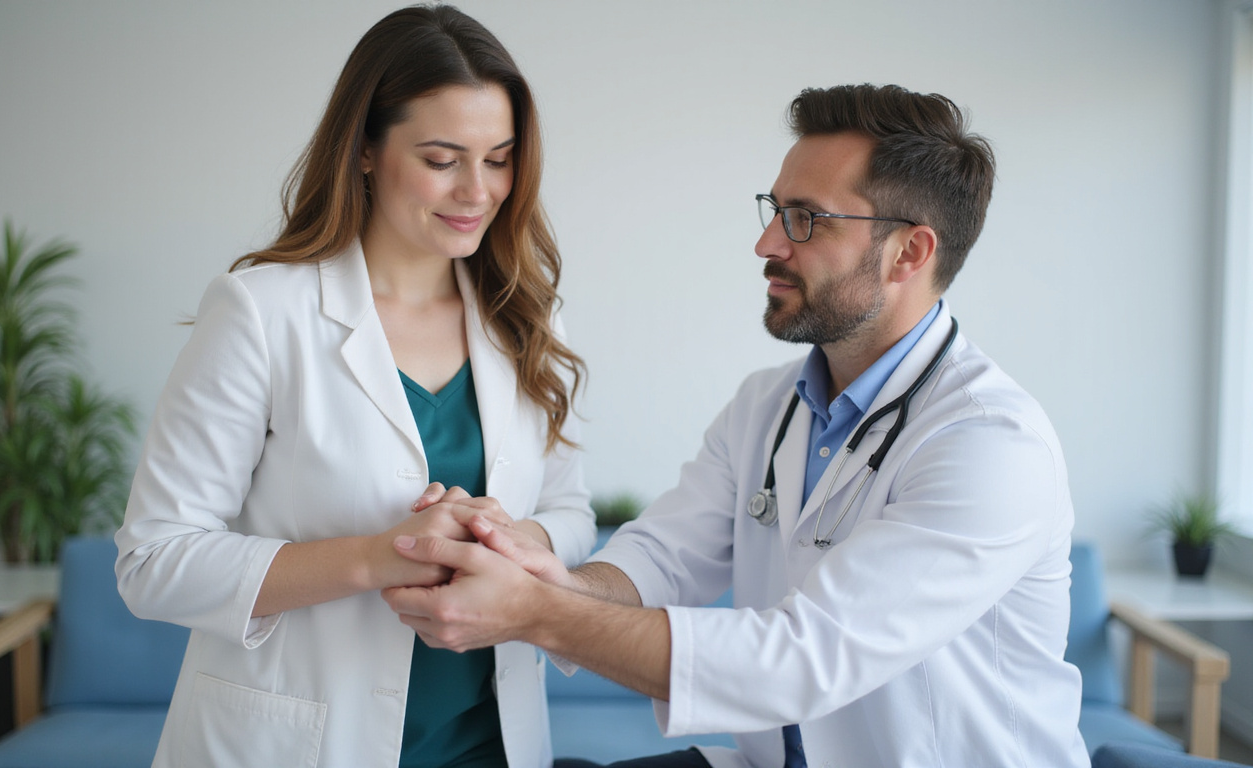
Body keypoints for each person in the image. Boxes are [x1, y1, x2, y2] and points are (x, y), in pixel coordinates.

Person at [383, 84, 1092, 768]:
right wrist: (533, 568)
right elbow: (662, 558)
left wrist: (535, 613)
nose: (766, 244)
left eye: (806, 219)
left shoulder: (990, 444)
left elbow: (801, 660)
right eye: (775, 209)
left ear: (910, 252)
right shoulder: (768, 405)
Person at [114, 5, 594, 767]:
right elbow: (154, 563)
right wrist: (378, 557)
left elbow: (569, 513)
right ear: (365, 149)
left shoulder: (527, 317)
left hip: (490, 744)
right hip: (299, 745)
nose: (479, 190)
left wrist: (513, 538)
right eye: (443, 159)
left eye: (499, 158)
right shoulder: (261, 313)